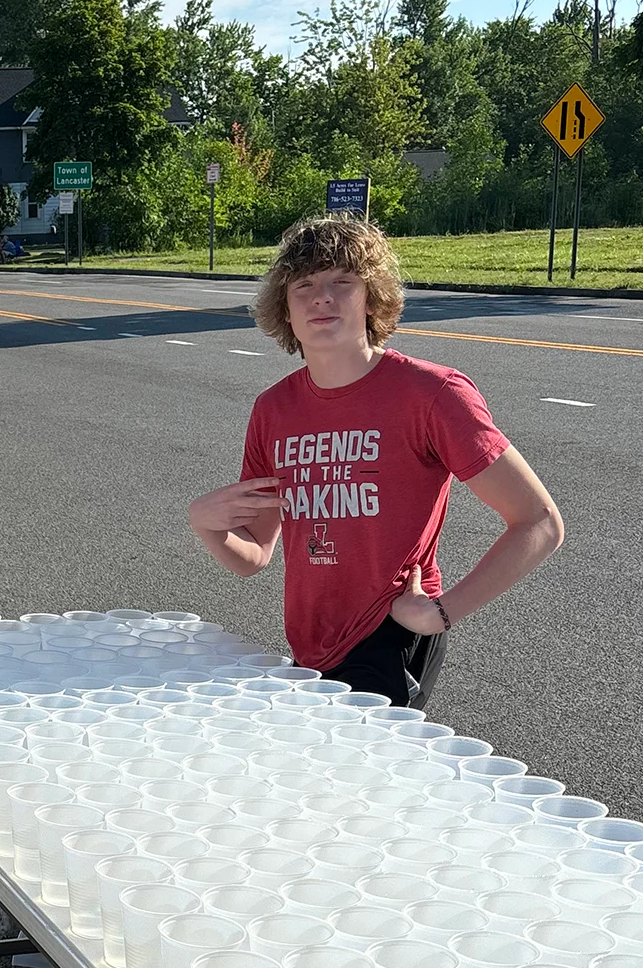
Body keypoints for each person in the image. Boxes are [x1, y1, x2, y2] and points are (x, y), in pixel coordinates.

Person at [188, 214, 563, 704]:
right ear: (285, 309)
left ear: (371, 298)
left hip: (389, 635)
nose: (322, 296)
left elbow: (538, 521)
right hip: (310, 637)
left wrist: (442, 612)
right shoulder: (274, 409)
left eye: (342, 281)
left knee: (356, 778)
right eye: (304, 285)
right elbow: (254, 555)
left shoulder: (432, 394)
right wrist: (205, 523)